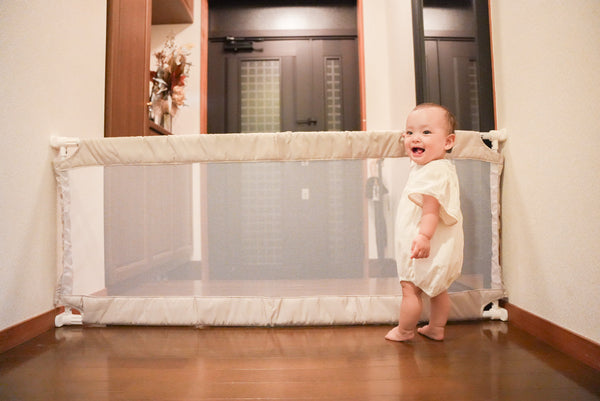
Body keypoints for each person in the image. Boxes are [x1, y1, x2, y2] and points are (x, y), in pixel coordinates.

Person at [385, 103, 463, 342]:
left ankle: (405, 330)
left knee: (410, 288)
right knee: (438, 288)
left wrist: (423, 236)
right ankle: (436, 328)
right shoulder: (441, 167)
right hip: (442, 244)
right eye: (409, 132)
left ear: (448, 142)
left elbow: (431, 209)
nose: (415, 138)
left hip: (422, 241)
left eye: (426, 132)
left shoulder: (431, 172)